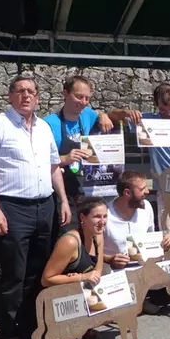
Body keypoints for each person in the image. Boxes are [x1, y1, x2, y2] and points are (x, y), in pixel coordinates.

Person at [0, 74, 71, 339]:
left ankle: (32, 326)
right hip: (12, 207)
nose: (26, 95)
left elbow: (54, 167)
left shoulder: (43, 128)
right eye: (20, 91)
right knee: (13, 273)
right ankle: (8, 331)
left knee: (38, 272)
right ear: (10, 96)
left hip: (45, 206)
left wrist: (63, 200)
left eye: (31, 91)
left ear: (38, 97)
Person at [108, 83, 170, 302]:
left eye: (169, 108)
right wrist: (126, 113)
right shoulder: (148, 121)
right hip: (165, 189)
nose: (165, 112)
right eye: (161, 109)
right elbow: (112, 117)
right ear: (156, 106)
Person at [43, 75, 113, 230]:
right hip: (61, 192)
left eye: (87, 98)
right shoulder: (48, 124)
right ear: (65, 94)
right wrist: (65, 158)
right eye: (79, 97)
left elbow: (105, 115)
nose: (84, 102)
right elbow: (40, 162)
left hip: (85, 189)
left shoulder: (87, 115)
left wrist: (103, 115)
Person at [102, 171, 170, 314]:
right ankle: (134, 301)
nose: (147, 191)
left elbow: (150, 238)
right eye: (142, 189)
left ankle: (144, 298)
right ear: (127, 193)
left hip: (141, 267)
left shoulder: (146, 207)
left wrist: (164, 241)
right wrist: (109, 259)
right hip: (115, 273)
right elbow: (89, 252)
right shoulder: (105, 215)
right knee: (123, 312)